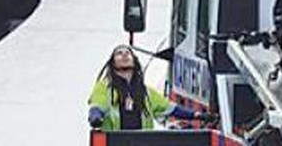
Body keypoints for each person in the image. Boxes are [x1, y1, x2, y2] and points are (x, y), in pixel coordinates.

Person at [88, 44, 216, 130]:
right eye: (119, 54)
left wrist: (198, 115)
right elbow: (97, 106)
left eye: (128, 53)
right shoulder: (104, 88)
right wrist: (95, 117)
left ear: (134, 60)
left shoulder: (146, 93)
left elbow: (171, 109)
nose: (124, 55)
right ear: (113, 62)